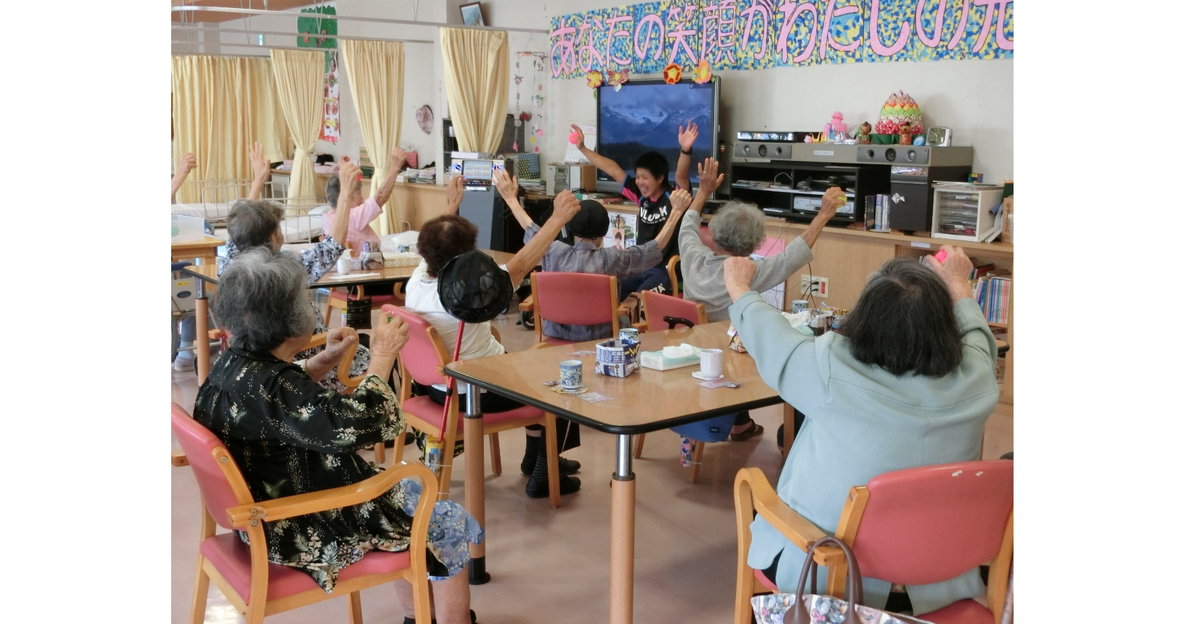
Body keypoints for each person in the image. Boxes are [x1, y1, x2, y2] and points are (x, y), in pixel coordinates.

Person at [194, 248, 480, 624]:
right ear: (288, 318)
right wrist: (382, 356)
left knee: (406, 494)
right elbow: (358, 424)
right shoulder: (274, 387)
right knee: (446, 520)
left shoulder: (233, 365)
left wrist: (326, 358)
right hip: (296, 524)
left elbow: (284, 398)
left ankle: (416, 616)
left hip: (261, 514)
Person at [722, 247, 999, 615]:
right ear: (944, 325)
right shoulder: (978, 378)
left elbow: (769, 335)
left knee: (754, 489)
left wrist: (739, 286)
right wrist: (959, 284)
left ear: (864, 319)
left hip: (834, 582)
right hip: (939, 581)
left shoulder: (828, 366)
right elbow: (979, 336)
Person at [404, 188, 585, 498]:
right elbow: (523, 263)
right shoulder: (469, 293)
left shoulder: (417, 280)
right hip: (478, 394)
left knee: (521, 368)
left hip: (436, 390)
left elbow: (439, 247)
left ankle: (535, 458)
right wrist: (557, 219)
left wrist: (451, 207)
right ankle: (545, 471)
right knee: (558, 381)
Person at [677, 158, 845, 441]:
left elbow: (688, 225)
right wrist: (824, 214)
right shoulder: (749, 272)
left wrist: (703, 191)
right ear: (756, 243)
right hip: (729, 357)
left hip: (691, 349)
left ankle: (740, 423)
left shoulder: (693, 257)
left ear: (714, 234)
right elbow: (792, 256)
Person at [210, 150, 365, 391]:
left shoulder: (231, 263)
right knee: (367, 353)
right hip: (304, 360)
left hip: (255, 362)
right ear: (274, 236)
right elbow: (332, 246)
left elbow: (243, 224)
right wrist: (344, 194)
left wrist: (258, 181)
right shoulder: (282, 273)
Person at [493, 168, 689, 342]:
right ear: (604, 231)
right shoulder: (613, 258)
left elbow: (532, 230)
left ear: (571, 228)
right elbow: (653, 249)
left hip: (556, 336)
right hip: (602, 340)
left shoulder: (553, 251)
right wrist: (676, 212)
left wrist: (511, 199)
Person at [569, 121, 697, 298]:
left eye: (644, 177)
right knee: (611, 292)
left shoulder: (674, 197)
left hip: (665, 271)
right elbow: (613, 169)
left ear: (660, 178)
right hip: (639, 266)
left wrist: (685, 150)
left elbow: (681, 175)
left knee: (637, 299)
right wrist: (583, 148)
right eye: (637, 177)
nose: (639, 182)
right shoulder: (640, 196)